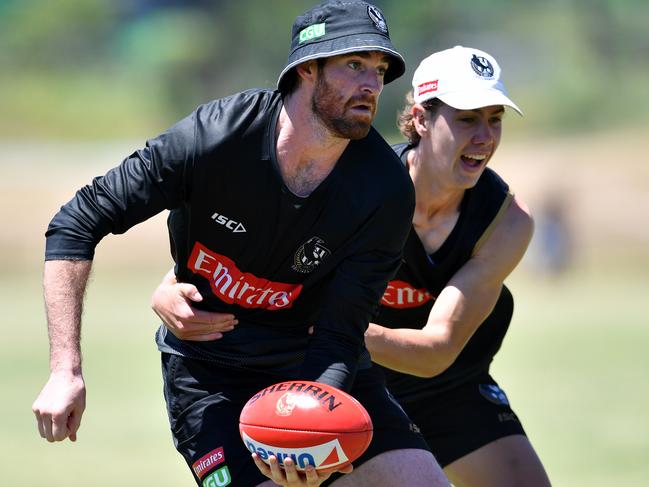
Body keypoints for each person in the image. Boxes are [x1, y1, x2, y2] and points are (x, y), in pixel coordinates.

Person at [32, 2, 449, 487]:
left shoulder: (385, 190)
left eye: (379, 70)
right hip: (212, 375)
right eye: (354, 65)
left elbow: (340, 334)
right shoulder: (213, 140)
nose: (372, 85)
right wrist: (66, 371)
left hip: (312, 364)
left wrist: (305, 417)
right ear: (306, 70)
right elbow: (76, 222)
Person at [152, 45, 553, 486]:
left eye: (494, 119)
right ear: (421, 118)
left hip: (447, 388)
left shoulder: (505, 221)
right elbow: (249, 249)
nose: (484, 137)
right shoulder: (365, 188)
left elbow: (437, 350)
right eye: (467, 119)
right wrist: (170, 287)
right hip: (349, 381)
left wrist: (333, 329)